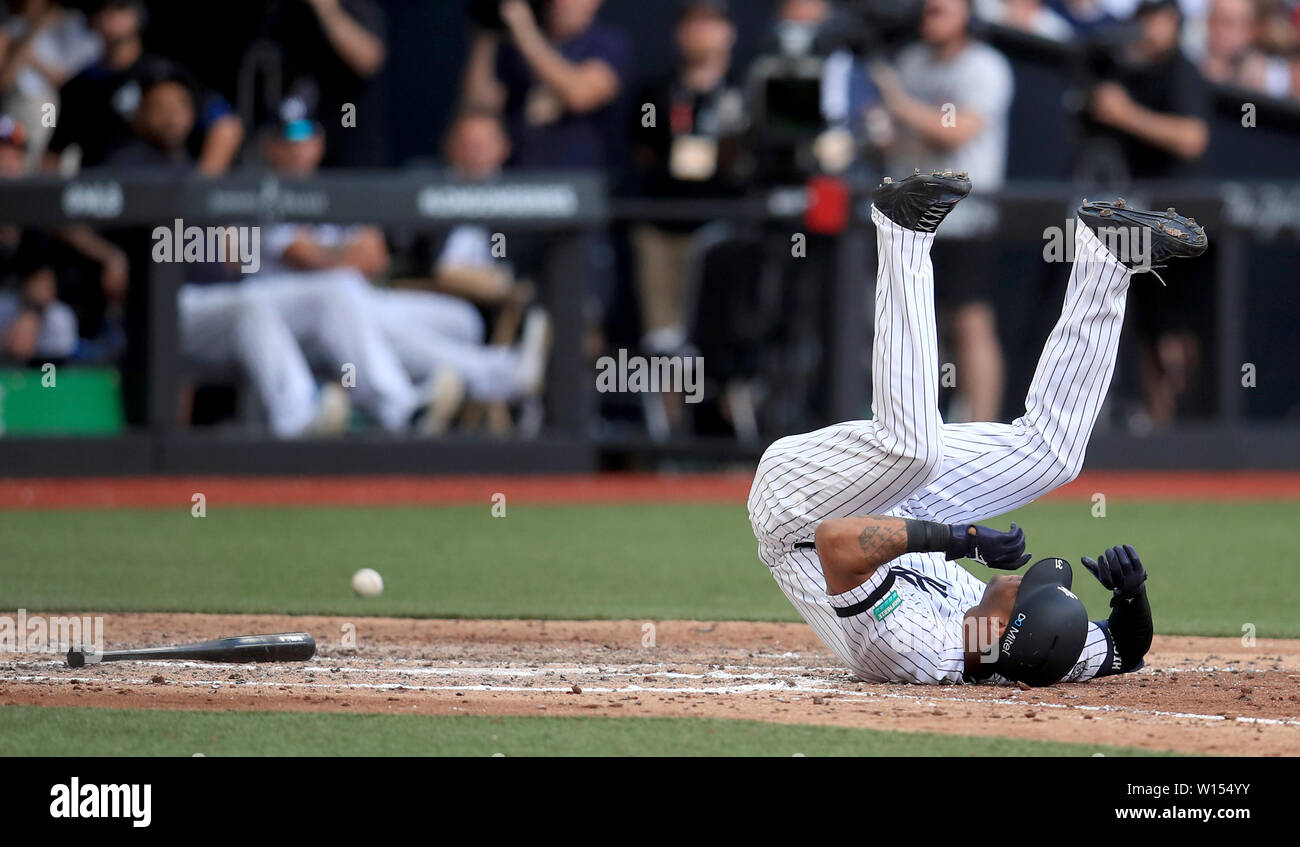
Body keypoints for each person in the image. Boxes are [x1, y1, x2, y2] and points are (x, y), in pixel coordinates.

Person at [748, 170, 1204, 685]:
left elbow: (836, 540)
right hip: (902, 507)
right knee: (1054, 455)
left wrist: (961, 539)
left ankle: (901, 230)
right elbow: (1125, 649)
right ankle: (1109, 258)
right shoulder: (1015, 653)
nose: (1018, 580)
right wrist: (1130, 594)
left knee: (912, 451)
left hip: (799, 510)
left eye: (1025, 592)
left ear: (1005, 627)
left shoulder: (913, 650)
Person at [256, 96, 550, 417]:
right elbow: (306, 256)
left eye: (306, 136)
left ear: (320, 141)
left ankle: (442, 390)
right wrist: (340, 256)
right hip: (296, 319)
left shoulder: (333, 190)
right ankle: (449, 391)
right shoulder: (258, 193)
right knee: (346, 296)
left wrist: (333, 255)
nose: (298, 147)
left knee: (462, 322)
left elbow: (373, 256)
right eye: (286, 139)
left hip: (363, 303)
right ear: (270, 146)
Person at [874, 0, 1014, 422]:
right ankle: (919, 427)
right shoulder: (912, 61)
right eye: (928, 10)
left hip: (964, 216)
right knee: (915, 324)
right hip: (910, 220)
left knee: (970, 319)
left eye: (943, 11)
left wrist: (897, 103)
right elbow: (892, 137)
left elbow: (956, 130)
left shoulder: (984, 66)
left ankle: (983, 433)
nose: (931, 17)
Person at [631, 0, 746, 357]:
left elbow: (747, 153)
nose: (701, 34)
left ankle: (729, 410)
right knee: (663, 341)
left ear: (730, 32)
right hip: (662, 227)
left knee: (724, 337)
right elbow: (644, 153)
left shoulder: (742, 91)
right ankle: (670, 411)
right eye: (694, 24)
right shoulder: (657, 93)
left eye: (711, 23)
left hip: (723, 229)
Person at [44, 0, 242, 175]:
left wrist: (199, 195)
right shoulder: (79, 85)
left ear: (137, 15)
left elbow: (226, 126)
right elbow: (52, 156)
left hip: (161, 191)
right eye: (103, 8)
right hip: (101, 196)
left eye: (120, 7)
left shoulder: (165, 73)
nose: (110, 16)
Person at [461, 0, 629, 171]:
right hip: (517, 175)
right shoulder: (510, 44)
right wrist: (488, 30)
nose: (564, 3)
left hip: (576, 177)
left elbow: (579, 95)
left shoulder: (606, 44)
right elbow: (481, 103)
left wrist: (525, 30)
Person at [266, 0, 387, 167]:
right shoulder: (283, 12)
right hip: (297, 143)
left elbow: (369, 60)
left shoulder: (358, 7)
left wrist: (327, 9)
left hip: (350, 142)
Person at [0, 115, 77, 363]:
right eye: (1, 154)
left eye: (14, 154)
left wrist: (29, 315)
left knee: (59, 323)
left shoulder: (30, 212)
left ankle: (43, 393)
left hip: (12, 306)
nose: (7, 163)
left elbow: (43, 281)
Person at [0, 0, 101, 167]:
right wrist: (34, 31)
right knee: (19, 156)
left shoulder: (70, 22)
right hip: (18, 102)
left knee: (47, 150)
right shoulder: (14, 25)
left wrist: (21, 50)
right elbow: (6, 80)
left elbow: (62, 79)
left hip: (50, 103)